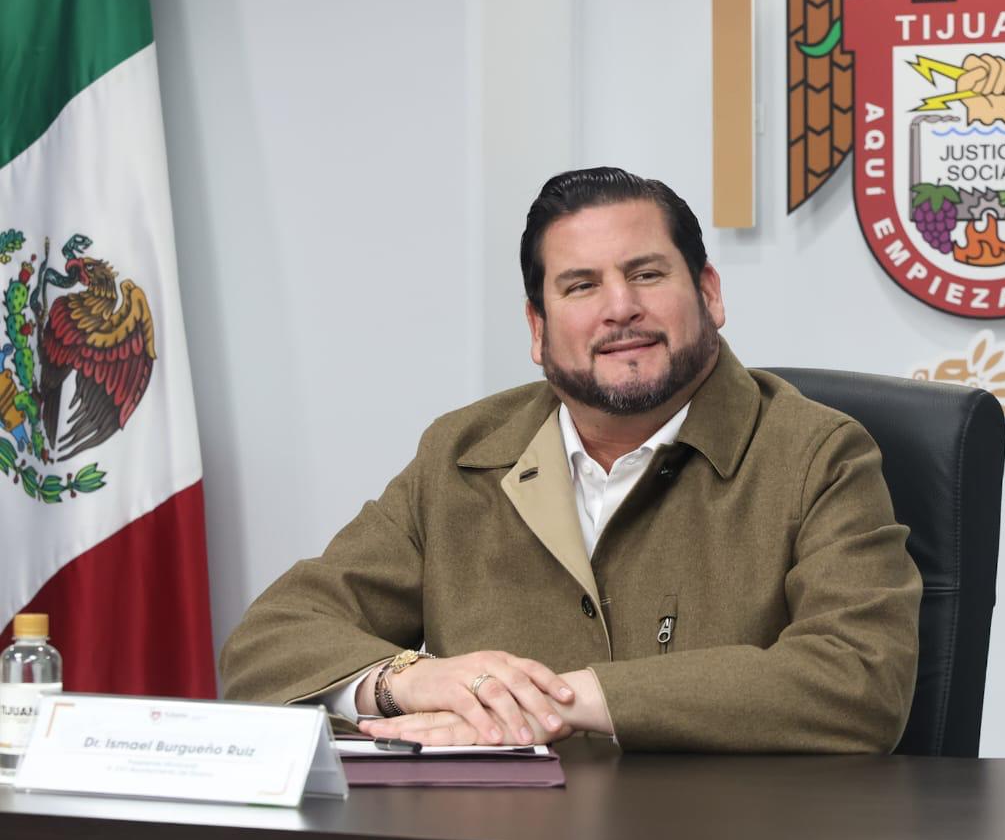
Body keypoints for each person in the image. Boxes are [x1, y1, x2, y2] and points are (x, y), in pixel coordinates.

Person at [219, 167, 922, 752]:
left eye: (646, 274)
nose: (620, 308)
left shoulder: (818, 453)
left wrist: (567, 700)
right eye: (581, 286)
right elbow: (269, 644)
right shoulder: (460, 454)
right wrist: (405, 681)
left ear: (709, 293)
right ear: (538, 327)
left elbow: (860, 681)